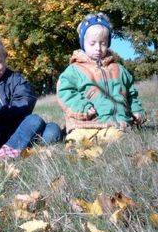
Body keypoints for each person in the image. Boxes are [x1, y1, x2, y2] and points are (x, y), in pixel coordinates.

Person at [0, 32, 62, 159]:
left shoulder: (15, 79)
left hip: (20, 128)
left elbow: (26, 100)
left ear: (4, 57)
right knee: (36, 121)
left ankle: (16, 148)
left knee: (51, 128)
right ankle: (8, 152)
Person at [56, 13, 146, 143]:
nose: (98, 48)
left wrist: (137, 110)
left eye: (103, 43)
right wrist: (82, 107)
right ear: (83, 43)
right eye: (92, 43)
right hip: (86, 122)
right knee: (76, 138)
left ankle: (105, 137)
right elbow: (64, 92)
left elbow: (131, 93)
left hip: (117, 123)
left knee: (115, 136)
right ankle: (77, 139)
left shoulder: (118, 69)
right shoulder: (75, 70)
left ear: (108, 43)